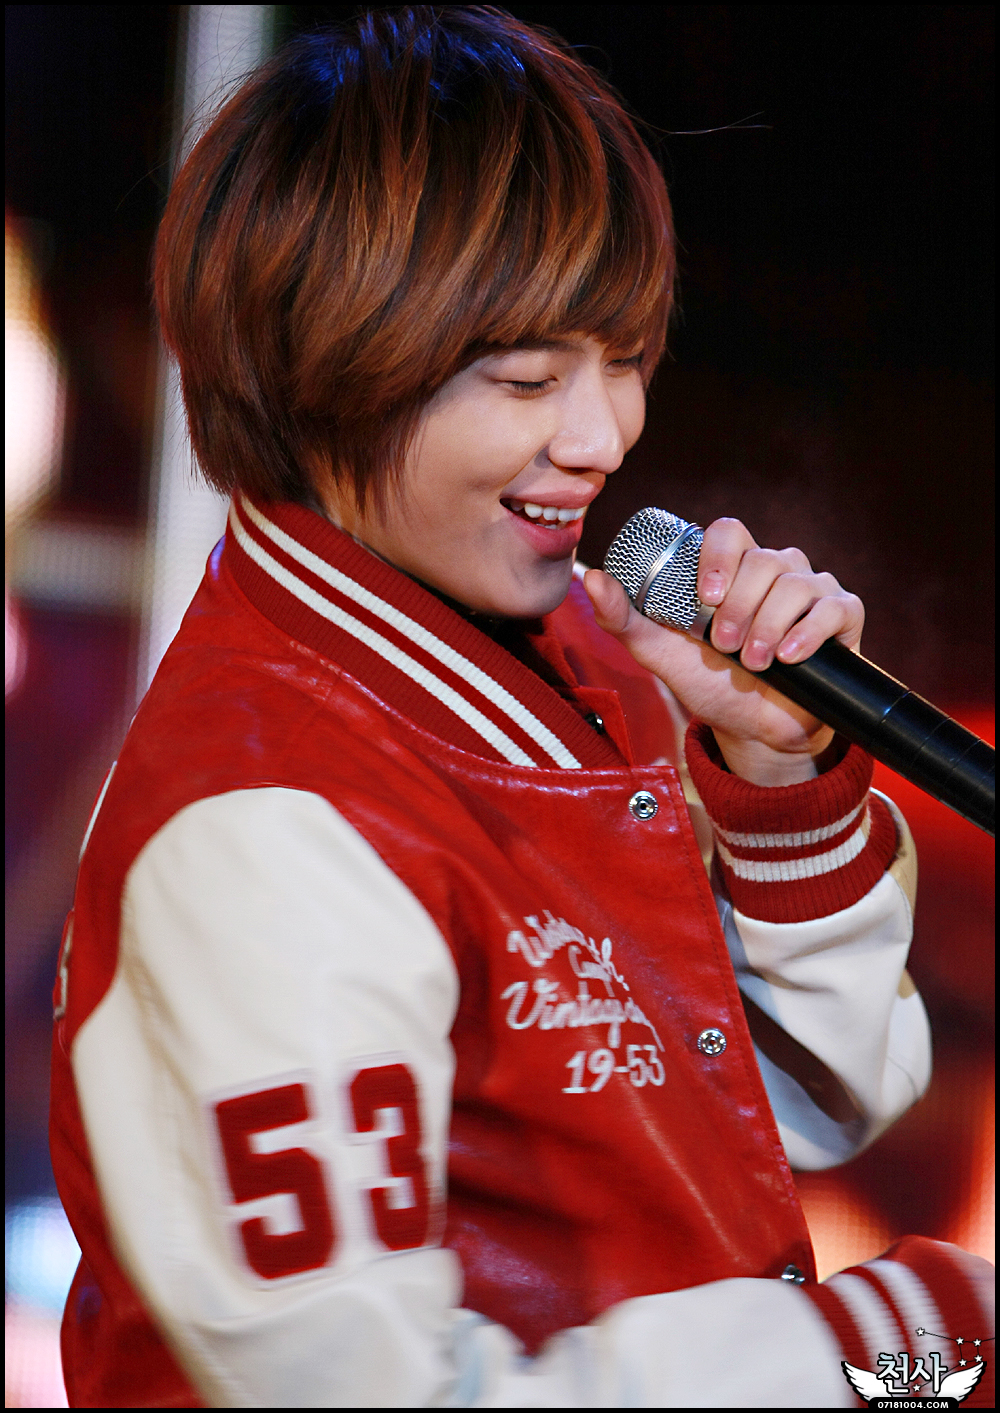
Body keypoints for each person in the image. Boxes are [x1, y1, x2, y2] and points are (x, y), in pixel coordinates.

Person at [51, 7, 992, 1407]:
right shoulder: (265, 822)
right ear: (334, 367)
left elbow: (808, 1108)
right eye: (529, 380)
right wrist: (880, 1353)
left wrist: (778, 775)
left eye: (627, 357)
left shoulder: (578, 659)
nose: (605, 436)